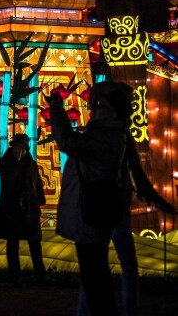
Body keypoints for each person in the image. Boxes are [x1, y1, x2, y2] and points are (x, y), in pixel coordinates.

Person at [77, 81, 177, 316]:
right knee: (116, 264)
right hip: (110, 204)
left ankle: (91, 310)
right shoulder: (116, 132)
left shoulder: (101, 132)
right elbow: (135, 171)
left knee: (97, 266)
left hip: (102, 205)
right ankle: (125, 309)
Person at [50, 80, 129, 316]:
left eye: (97, 105)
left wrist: (56, 109)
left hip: (92, 210)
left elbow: (66, 141)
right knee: (94, 273)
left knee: (95, 274)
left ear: (109, 109)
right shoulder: (109, 134)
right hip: (92, 209)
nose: (93, 110)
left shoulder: (107, 136)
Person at [0, 132, 47, 287]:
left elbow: (37, 184)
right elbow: (9, 177)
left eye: (23, 148)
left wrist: (40, 200)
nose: (20, 150)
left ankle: (41, 276)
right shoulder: (5, 163)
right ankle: (15, 278)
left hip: (30, 208)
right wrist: (17, 162)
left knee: (35, 243)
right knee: (13, 244)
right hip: (12, 209)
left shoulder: (31, 163)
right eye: (17, 147)